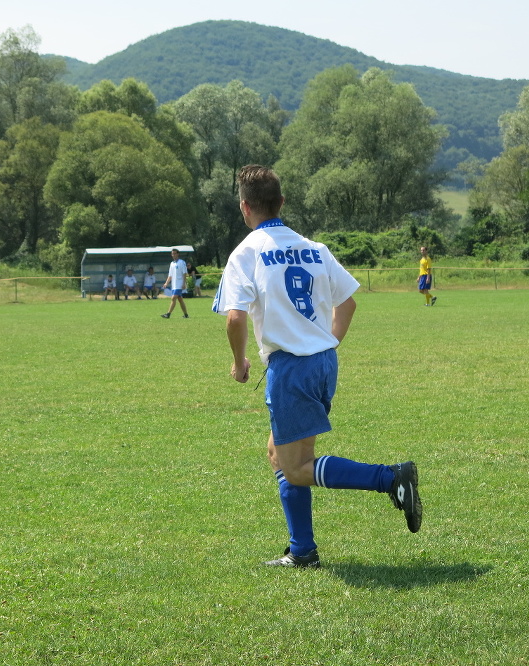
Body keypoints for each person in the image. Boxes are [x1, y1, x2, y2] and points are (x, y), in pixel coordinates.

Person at [213, 165, 422, 568]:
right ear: (282, 203)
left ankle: (391, 479)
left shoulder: (247, 253)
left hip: (291, 369)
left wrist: (239, 362)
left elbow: (235, 318)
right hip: (324, 362)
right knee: (279, 453)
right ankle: (303, 551)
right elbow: (348, 302)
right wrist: (325, 344)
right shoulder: (315, 247)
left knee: (296, 468)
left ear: (244, 208)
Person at [161, 248, 189, 318]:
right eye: (172, 254)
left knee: (173, 298)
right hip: (174, 285)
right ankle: (186, 315)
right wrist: (166, 283)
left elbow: (184, 273)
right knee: (180, 299)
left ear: (178, 254)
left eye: (175, 253)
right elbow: (170, 275)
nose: (173, 255)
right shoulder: (172, 264)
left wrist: (183, 283)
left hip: (179, 284)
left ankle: (168, 314)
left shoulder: (182, 262)